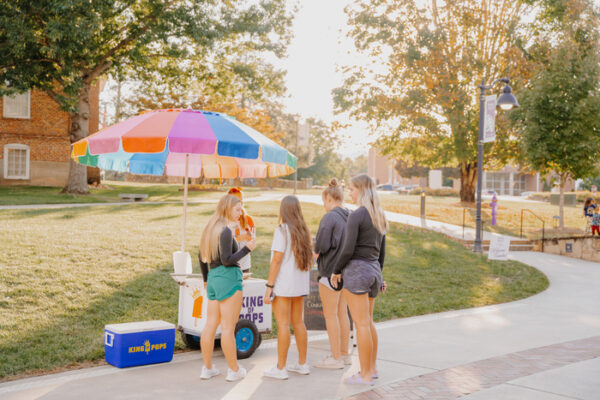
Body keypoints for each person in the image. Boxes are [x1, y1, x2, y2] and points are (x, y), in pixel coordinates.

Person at [331, 174, 387, 386]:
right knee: (368, 322)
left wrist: (336, 270)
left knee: (361, 324)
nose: (350, 193)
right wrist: (378, 274)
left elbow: (347, 249)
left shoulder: (358, 215)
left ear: (362, 190)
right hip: (373, 270)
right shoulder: (379, 215)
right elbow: (382, 252)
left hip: (356, 271)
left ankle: (363, 375)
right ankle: (371, 370)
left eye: (352, 189)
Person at [198, 195, 256, 382]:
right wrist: (247, 248)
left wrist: (207, 280)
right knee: (228, 328)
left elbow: (201, 256)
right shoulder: (225, 231)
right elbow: (227, 259)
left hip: (214, 278)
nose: (241, 213)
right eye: (238, 209)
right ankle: (234, 370)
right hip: (228, 277)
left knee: (210, 324)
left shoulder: (210, 228)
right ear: (228, 209)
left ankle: (207, 369)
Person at [263, 196, 313, 379]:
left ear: (283, 210)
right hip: (300, 285)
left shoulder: (282, 231)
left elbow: (276, 260)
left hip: (284, 285)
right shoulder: (304, 231)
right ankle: (302, 364)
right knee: (298, 323)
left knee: (283, 324)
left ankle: (281, 368)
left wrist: (269, 285)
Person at [313, 179, 351, 369]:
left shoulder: (329, 218)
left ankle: (335, 358)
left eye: (324, 201)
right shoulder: (350, 215)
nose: (324, 205)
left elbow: (321, 245)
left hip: (329, 271)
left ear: (329, 198)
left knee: (330, 315)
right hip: (347, 272)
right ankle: (344, 354)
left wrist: (314, 246)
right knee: (342, 313)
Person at [227, 187, 255, 273]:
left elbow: (253, 243)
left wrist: (250, 237)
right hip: (228, 266)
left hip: (244, 266)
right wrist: (242, 237)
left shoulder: (248, 220)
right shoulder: (224, 220)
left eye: (241, 201)